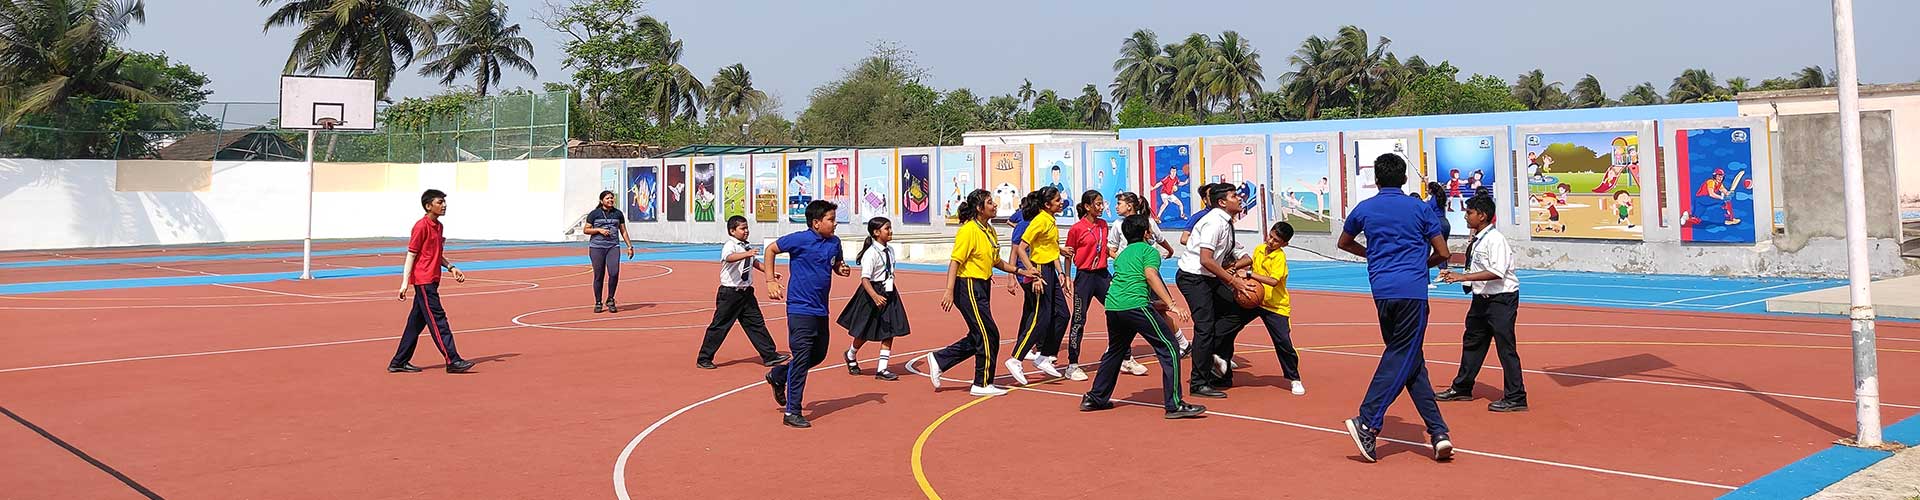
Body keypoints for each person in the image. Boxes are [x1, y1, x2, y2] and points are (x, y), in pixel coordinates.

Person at [1337, 153, 1453, 463]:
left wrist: (1372, 255)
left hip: (1382, 292)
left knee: (1410, 360)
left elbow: (1344, 242)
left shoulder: (1364, 209)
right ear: (1404, 179)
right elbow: (1443, 253)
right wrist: (1419, 264)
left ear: (1376, 178)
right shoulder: (1420, 209)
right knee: (1402, 356)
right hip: (1413, 293)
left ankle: (1438, 431)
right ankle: (1368, 420)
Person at [1079, 214, 1206, 419]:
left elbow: (1130, 281)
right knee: (1170, 348)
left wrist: (1157, 304)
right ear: (1147, 233)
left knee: (1115, 351)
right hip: (1135, 305)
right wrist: (1172, 305)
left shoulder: (1122, 254)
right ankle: (1174, 404)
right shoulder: (1149, 251)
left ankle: (1095, 397)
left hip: (1113, 306)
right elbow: (1150, 276)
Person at [919, 189, 1039, 396]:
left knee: (980, 334)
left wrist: (1021, 270)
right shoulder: (969, 231)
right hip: (967, 286)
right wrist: (948, 291)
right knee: (988, 334)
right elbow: (956, 261)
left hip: (983, 287)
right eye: (990, 202)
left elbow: (996, 261)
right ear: (979, 208)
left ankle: (940, 359)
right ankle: (981, 383)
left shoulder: (989, 230)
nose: (995, 205)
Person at [763, 200, 854, 429]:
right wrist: (770, 280)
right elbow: (771, 249)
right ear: (816, 223)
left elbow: (836, 263)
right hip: (799, 308)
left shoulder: (834, 242)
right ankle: (792, 411)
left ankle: (779, 375)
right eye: (831, 220)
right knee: (802, 357)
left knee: (819, 355)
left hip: (821, 309)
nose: (835, 224)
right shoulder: (799, 240)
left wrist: (840, 269)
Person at [1438, 196, 1528, 412]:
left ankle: (1516, 396)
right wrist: (1457, 275)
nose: (1465, 215)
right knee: (1472, 342)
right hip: (1481, 300)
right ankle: (1462, 387)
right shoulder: (1478, 238)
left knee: (1506, 347)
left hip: (1501, 300)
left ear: (1482, 215)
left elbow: (1496, 272)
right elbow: (1477, 266)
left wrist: (1463, 278)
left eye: (1469, 212)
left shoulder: (1495, 240)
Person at [1178, 183, 1257, 399]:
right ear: (1222, 202)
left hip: (1209, 277)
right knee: (1204, 327)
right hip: (1194, 277)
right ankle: (1199, 382)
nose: (1239, 198)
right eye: (1234, 195)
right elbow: (1206, 260)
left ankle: (1215, 358)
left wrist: (1237, 268)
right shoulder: (1214, 222)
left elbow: (1232, 254)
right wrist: (1234, 281)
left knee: (1240, 309)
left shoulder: (1227, 222)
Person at [390, 189, 475, 374]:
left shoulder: (439, 227)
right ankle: (452, 359)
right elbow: (411, 254)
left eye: (444, 202)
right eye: (439, 202)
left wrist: (451, 267)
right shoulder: (421, 226)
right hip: (424, 281)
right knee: (438, 320)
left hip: (433, 279)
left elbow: (436, 254)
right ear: (428, 206)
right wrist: (405, 283)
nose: (444, 205)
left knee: (415, 323)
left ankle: (398, 361)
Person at [696, 216, 790, 370]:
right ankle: (704, 358)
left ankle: (769, 355)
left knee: (756, 324)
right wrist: (747, 254)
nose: (746, 231)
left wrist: (770, 273)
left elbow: (754, 263)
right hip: (730, 293)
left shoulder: (746, 247)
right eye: (742, 228)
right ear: (732, 231)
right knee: (720, 326)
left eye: (747, 228)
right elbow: (729, 258)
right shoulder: (730, 245)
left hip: (746, 293)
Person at [1109, 192, 1183, 369]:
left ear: (1130, 205)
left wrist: (1170, 250)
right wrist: (1121, 258)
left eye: (1119, 203)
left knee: (1160, 307)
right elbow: (1111, 248)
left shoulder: (1146, 223)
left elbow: (1160, 238)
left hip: (1147, 271)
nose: (1116, 206)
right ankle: (1124, 354)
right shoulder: (1118, 225)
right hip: (1130, 274)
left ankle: (1181, 342)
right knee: (1137, 308)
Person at [1007, 187, 1073, 384]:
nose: (1061, 202)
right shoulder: (1040, 220)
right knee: (1040, 318)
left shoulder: (1050, 221)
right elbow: (1021, 248)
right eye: (1057, 200)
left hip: (1050, 271)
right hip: (1040, 271)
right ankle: (1015, 359)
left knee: (1063, 314)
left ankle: (1046, 355)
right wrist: (1033, 274)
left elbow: (1049, 247)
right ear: (1047, 204)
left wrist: (1061, 270)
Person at [1062, 190, 1126, 381]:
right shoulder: (1077, 228)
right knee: (1079, 319)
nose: (1100, 207)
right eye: (1097, 204)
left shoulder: (1103, 225)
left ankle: (1124, 355)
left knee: (1119, 310)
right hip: (1085, 277)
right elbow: (1069, 254)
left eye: (1101, 203)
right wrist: (1066, 276)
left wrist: (1120, 257)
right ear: (1087, 206)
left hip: (1102, 275)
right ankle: (1072, 364)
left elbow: (1104, 248)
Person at [839, 217, 910, 381]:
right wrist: (875, 296)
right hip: (872, 293)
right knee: (864, 331)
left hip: (888, 292)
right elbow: (864, 279)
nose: (890, 231)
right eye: (887, 229)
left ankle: (882, 369)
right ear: (877, 233)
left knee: (889, 330)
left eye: (890, 228)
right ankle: (851, 354)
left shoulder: (890, 250)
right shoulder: (871, 253)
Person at [1241, 221, 1305, 396]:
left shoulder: (1279, 258)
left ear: (1284, 244)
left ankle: (1294, 378)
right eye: (1270, 236)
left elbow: (1273, 281)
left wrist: (1248, 274)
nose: (1270, 241)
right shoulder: (1259, 249)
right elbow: (1251, 267)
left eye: (1276, 240)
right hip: (1255, 301)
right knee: (1227, 326)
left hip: (1275, 306)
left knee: (1283, 343)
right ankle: (1223, 358)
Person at [581, 190, 635, 313]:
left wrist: (629, 246)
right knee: (599, 275)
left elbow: (623, 231)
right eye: (607, 198)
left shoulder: (618, 214)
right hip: (597, 248)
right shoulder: (594, 214)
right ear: (601, 201)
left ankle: (610, 299)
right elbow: (586, 230)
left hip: (613, 247)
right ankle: (598, 301)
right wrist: (599, 230)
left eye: (611, 198)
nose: (610, 200)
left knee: (614, 273)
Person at [1426, 181, 1451, 289]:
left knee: (1428, 249)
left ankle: (1427, 276)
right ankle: (1443, 270)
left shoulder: (1432, 200)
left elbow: (1426, 208)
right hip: (1445, 223)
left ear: (1431, 190)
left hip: (1437, 224)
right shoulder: (1441, 197)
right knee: (1442, 248)